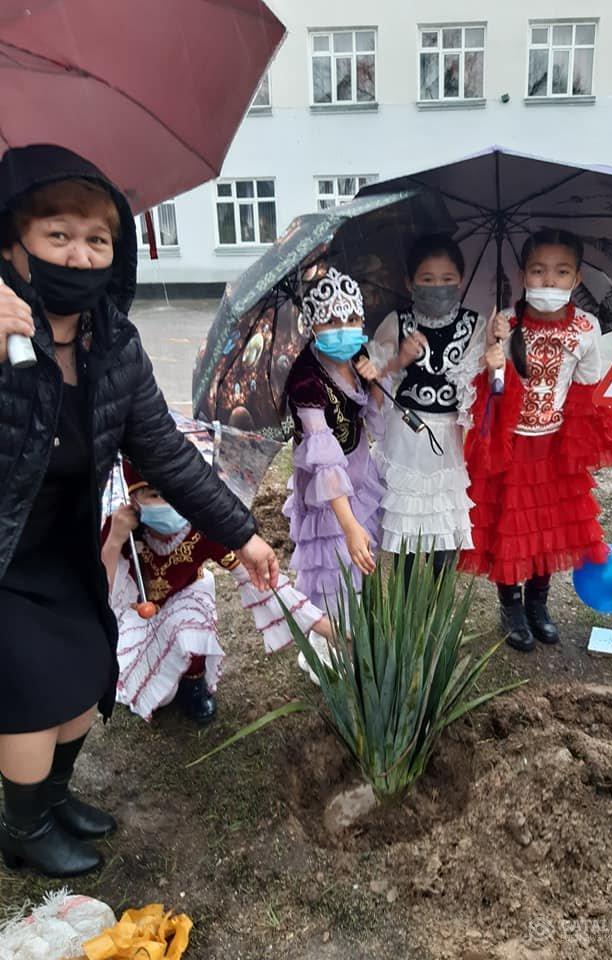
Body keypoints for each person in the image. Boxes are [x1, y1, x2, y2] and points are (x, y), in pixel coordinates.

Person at [0, 144, 278, 879]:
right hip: (5, 555)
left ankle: (53, 798)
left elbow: (167, 453)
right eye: (58, 234)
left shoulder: (114, 344)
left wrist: (243, 534)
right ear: (13, 244)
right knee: (31, 688)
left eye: (98, 239)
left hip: (67, 542)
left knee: (91, 668)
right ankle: (23, 829)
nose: (81, 256)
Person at [456, 228, 612, 652]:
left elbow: (589, 395)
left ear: (577, 278)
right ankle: (510, 607)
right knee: (507, 525)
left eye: (561, 271)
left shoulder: (586, 328)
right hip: (509, 448)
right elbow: (483, 395)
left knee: (548, 527)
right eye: (538, 270)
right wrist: (490, 358)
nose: (549, 280)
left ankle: (538, 604)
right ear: (523, 275)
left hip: (553, 450)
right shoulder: (504, 322)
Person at [102, 462, 333, 723]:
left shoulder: (201, 529)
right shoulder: (119, 528)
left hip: (185, 597)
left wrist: (320, 624)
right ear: (133, 499)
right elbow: (100, 587)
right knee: (160, 695)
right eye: (155, 495)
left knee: (190, 625)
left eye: (174, 491)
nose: (169, 503)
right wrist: (115, 539)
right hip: (138, 609)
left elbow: (257, 579)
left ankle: (194, 684)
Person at [368, 234, 497, 583]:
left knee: (444, 527)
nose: (437, 287)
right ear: (410, 282)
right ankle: (407, 599)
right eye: (427, 279)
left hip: (449, 440)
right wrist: (400, 359)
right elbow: (375, 381)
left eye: (446, 279)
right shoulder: (396, 322)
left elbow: (478, 389)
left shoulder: (476, 325)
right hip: (404, 437)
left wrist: (492, 356)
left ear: (461, 280)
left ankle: (439, 601)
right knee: (408, 531)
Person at [283, 267, 386, 678]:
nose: (343, 329)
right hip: (327, 493)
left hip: (358, 474)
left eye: (352, 318)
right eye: (330, 321)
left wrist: (375, 382)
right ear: (312, 325)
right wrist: (349, 525)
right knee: (332, 570)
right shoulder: (306, 380)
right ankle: (325, 655)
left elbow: (372, 417)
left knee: (356, 568)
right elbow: (324, 458)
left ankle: (347, 634)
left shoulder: (356, 359)